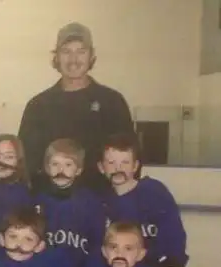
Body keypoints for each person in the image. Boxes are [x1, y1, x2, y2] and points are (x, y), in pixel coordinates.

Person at [18, 22, 134, 190]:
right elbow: (26, 166)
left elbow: (130, 160)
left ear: (91, 56)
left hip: (102, 201)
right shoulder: (38, 106)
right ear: (56, 57)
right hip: (51, 202)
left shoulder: (112, 102)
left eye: (81, 51)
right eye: (66, 52)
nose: (73, 59)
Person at [98, 133, 188, 267]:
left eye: (125, 163)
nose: (118, 168)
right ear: (101, 167)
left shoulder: (154, 192)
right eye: (111, 163)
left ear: (135, 166)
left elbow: (175, 236)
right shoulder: (100, 201)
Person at [33, 138, 106, 267]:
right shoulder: (36, 201)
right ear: (47, 168)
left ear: (78, 170)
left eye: (68, 165)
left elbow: (97, 245)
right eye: (55, 164)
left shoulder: (91, 203)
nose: (61, 170)